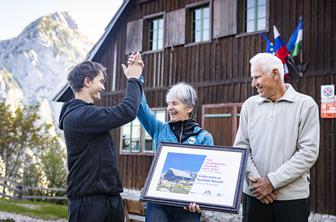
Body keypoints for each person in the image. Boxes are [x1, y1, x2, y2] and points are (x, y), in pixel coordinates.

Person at [233, 53, 319, 222]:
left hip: (292, 200)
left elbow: (308, 152)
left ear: (275, 74)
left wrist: (272, 182)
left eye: (257, 77)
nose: (253, 84)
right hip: (254, 196)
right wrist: (257, 184)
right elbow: (241, 147)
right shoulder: (249, 106)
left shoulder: (306, 105)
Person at [59, 53, 144, 222]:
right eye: (101, 81)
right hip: (89, 204)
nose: (103, 87)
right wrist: (133, 78)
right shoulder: (80, 116)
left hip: (109, 199)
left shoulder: (87, 115)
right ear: (87, 82)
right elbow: (127, 111)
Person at [128, 54, 213, 221]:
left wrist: (201, 199)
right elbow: (141, 108)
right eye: (168, 104)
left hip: (188, 206)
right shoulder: (159, 129)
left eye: (174, 103)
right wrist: (137, 78)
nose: (169, 108)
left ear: (189, 107)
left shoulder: (204, 137)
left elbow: (207, 175)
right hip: (158, 203)